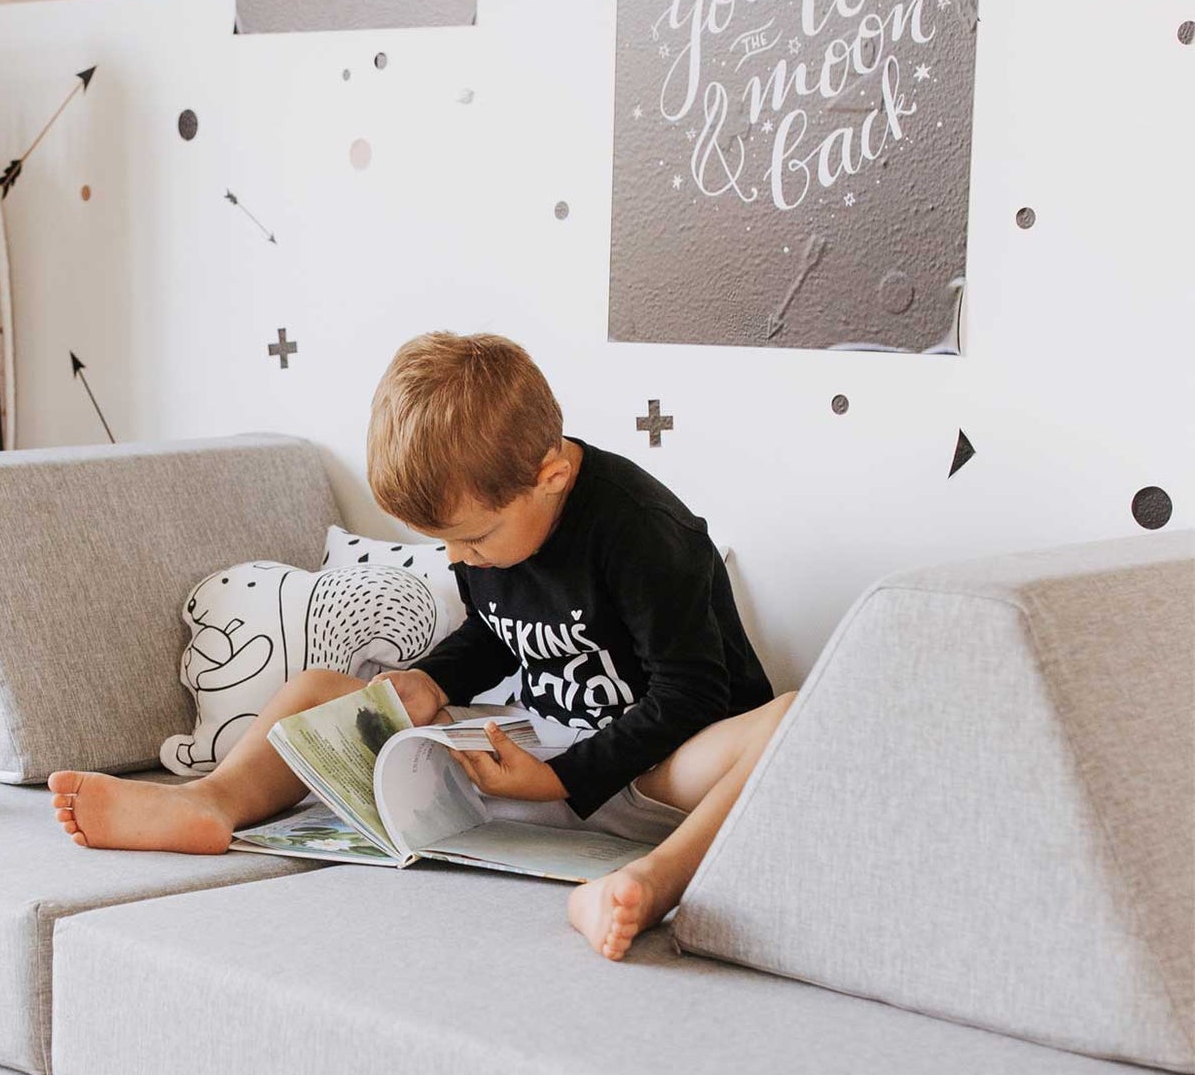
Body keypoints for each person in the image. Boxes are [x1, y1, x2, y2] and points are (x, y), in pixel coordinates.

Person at [50, 332, 793, 960]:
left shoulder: (640, 530)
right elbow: (497, 635)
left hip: (660, 773)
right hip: (532, 762)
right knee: (317, 689)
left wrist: (562, 778)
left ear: (552, 476)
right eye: (442, 545)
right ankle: (211, 804)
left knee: (788, 719)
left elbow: (690, 693)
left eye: (471, 540)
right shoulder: (488, 541)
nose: (459, 562)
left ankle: (651, 882)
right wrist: (432, 681)